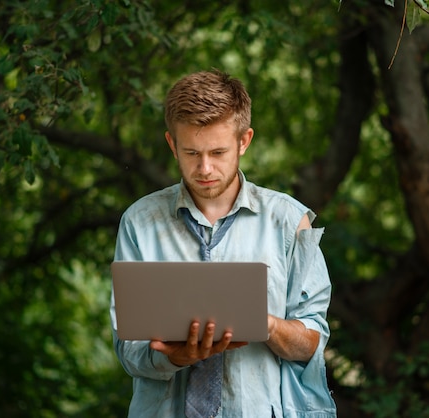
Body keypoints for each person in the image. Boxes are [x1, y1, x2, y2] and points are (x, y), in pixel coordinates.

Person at [110, 69, 337, 418]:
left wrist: (267, 324)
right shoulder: (140, 223)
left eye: (218, 152)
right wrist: (173, 357)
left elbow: (313, 345)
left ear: (244, 141)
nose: (204, 168)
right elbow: (128, 350)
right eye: (191, 153)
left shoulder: (290, 222)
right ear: (172, 144)